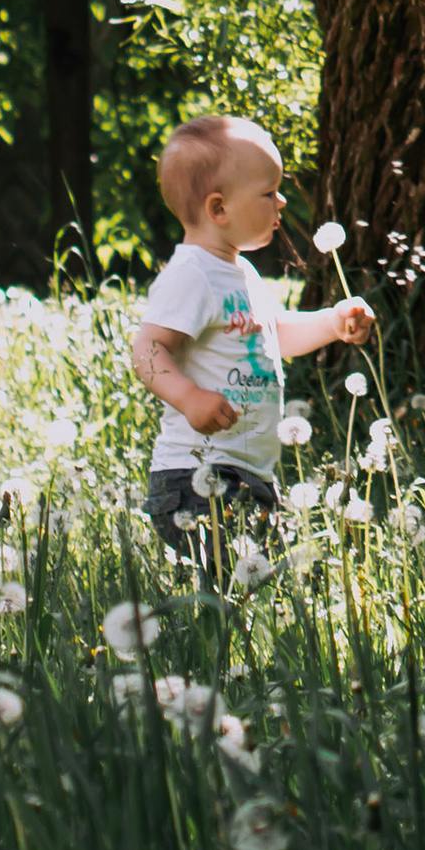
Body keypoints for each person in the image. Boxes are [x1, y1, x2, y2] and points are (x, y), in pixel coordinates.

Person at [130, 111, 373, 569]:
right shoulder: (192, 275)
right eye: (269, 192)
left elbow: (273, 335)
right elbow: (147, 349)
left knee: (246, 598)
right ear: (218, 209)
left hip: (251, 473)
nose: (282, 202)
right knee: (223, 598)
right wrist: (188, 396)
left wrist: (333, 322)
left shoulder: (239, 272)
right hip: (198, 474)